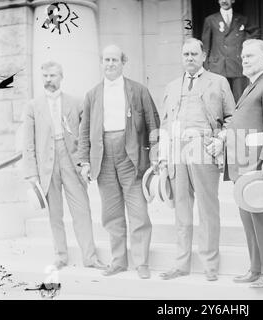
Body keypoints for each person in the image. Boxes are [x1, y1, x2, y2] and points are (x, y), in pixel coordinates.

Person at [78, 45, 160, 278]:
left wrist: (154, 154)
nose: (110, 64)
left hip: (130, 155)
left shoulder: (138, 90)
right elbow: (84, 131)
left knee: (138, 212)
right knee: (111, 213)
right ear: (101, 63)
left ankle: (141, 262)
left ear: (123, 62)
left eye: (115, 59)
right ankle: (118, 261)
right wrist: (84, 161)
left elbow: (154, 124)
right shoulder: (92, 94)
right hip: (103, 157)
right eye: (106, 60)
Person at [158, 38, 235, 281]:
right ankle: (181, 264)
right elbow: (164, 124)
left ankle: (210, 265)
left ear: (203, 56)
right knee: (181, 209)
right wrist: (162, 157)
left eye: (194, 54)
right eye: (185, 54)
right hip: (177, 151)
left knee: (207, 209)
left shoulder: (219, 82)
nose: (189, 58)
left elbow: (232, 118)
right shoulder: (171, 87)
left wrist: (220, 140)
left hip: (204, 147)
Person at [22, 61, 105, 270]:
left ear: (61, 77)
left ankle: (90, 257)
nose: (48, 80)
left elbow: (86, 135)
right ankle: (60, 256)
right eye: (45, 76)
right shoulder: (33, 106)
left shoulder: (76, 102)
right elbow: (28, 143)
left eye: (52, 76)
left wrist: (86, 161)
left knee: (82, 210)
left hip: (71, 160)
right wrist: (32, 174)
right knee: (55, 213)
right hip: (47, 165)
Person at [223, 39, 263, 288]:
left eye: (250, 56)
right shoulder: (252, 85)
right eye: (243, 56)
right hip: (243, 163)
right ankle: (256, 268)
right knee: (249, 219)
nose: (244, 60)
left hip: (259, 164)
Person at [202, 0, 260, 103]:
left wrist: (244, 42)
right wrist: (206, 68)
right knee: (219, 101)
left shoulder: (242, 19)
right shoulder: (210, 20)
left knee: (240, 100)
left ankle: (238, 119)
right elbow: (205, 46)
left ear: (233, 0)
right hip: (218, 67)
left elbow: (256, 32)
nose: (224, 1)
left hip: (237, 65)